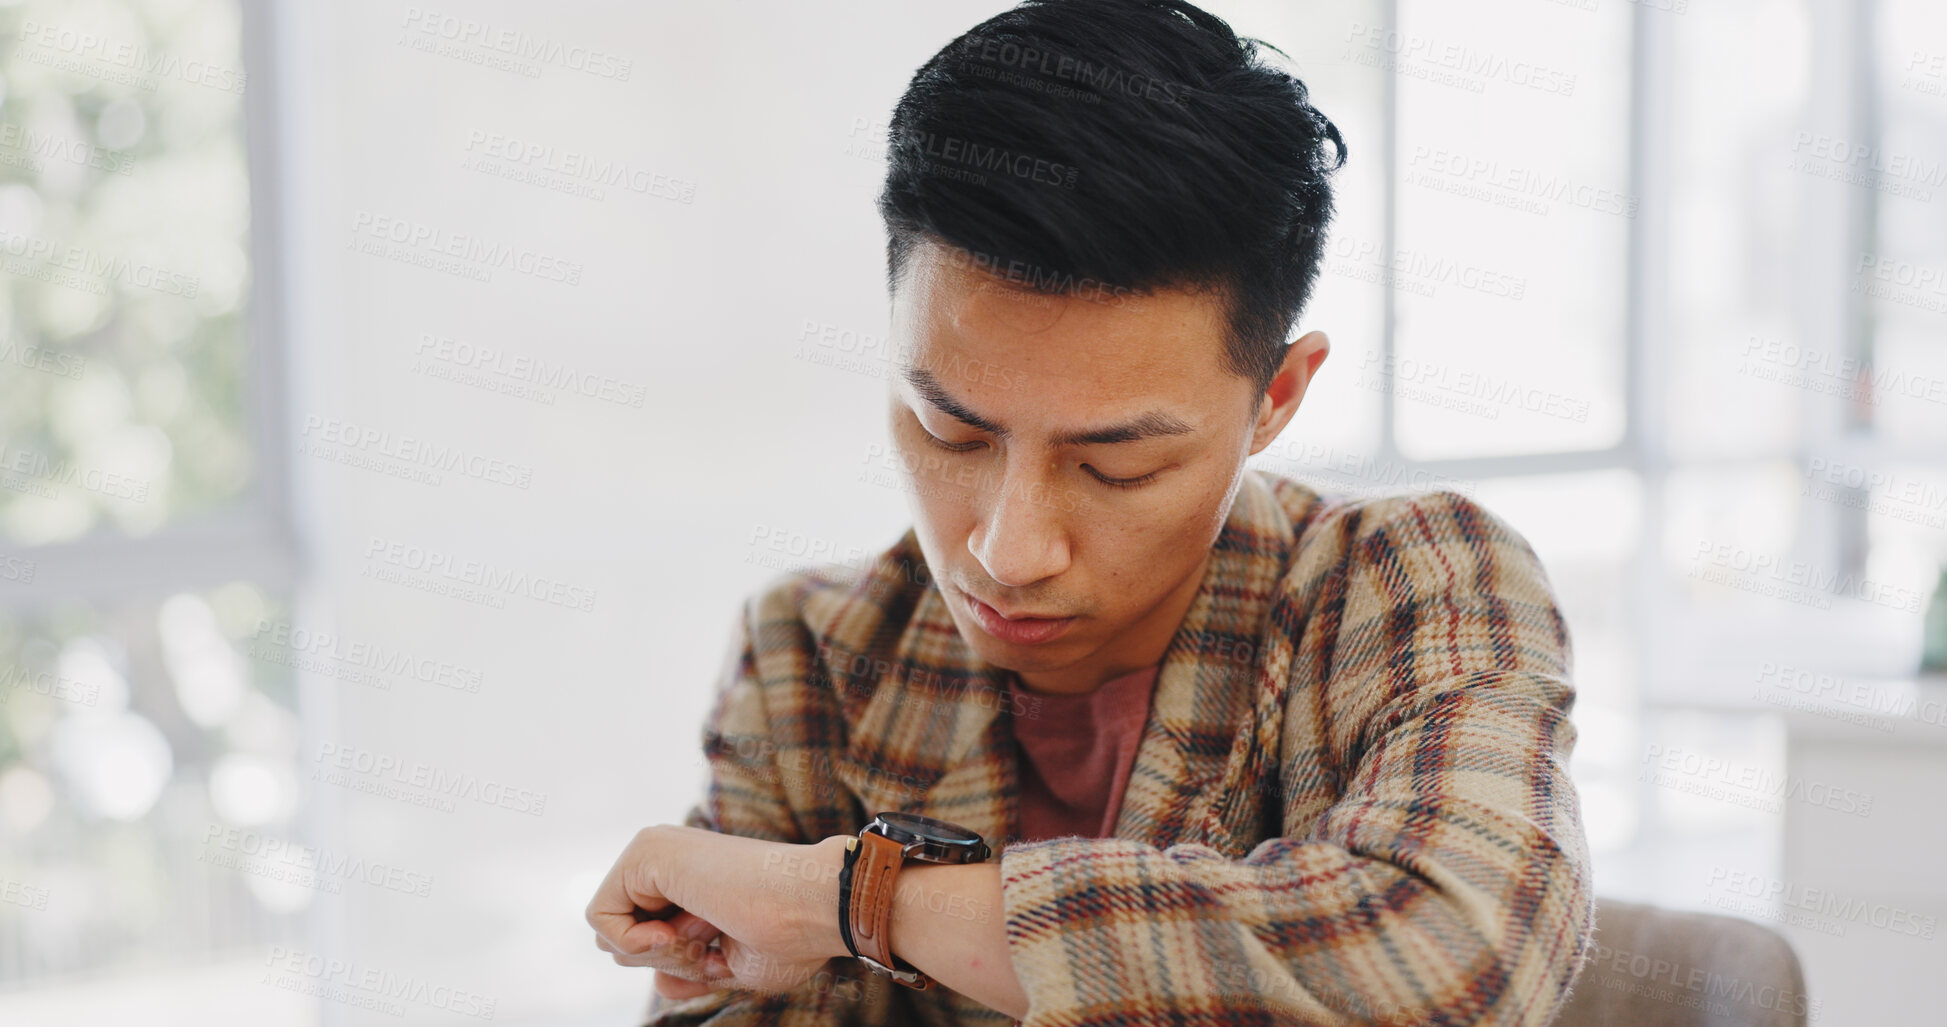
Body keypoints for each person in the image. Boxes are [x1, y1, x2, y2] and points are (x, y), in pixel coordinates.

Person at [586, 1, 1593, 1023]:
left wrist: (851, 898)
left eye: (1122, 464)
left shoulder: (1414, 577)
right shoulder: (811, 646)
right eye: (951, 432)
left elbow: (1442, 962)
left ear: (1277, 397)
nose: (1008, 550)